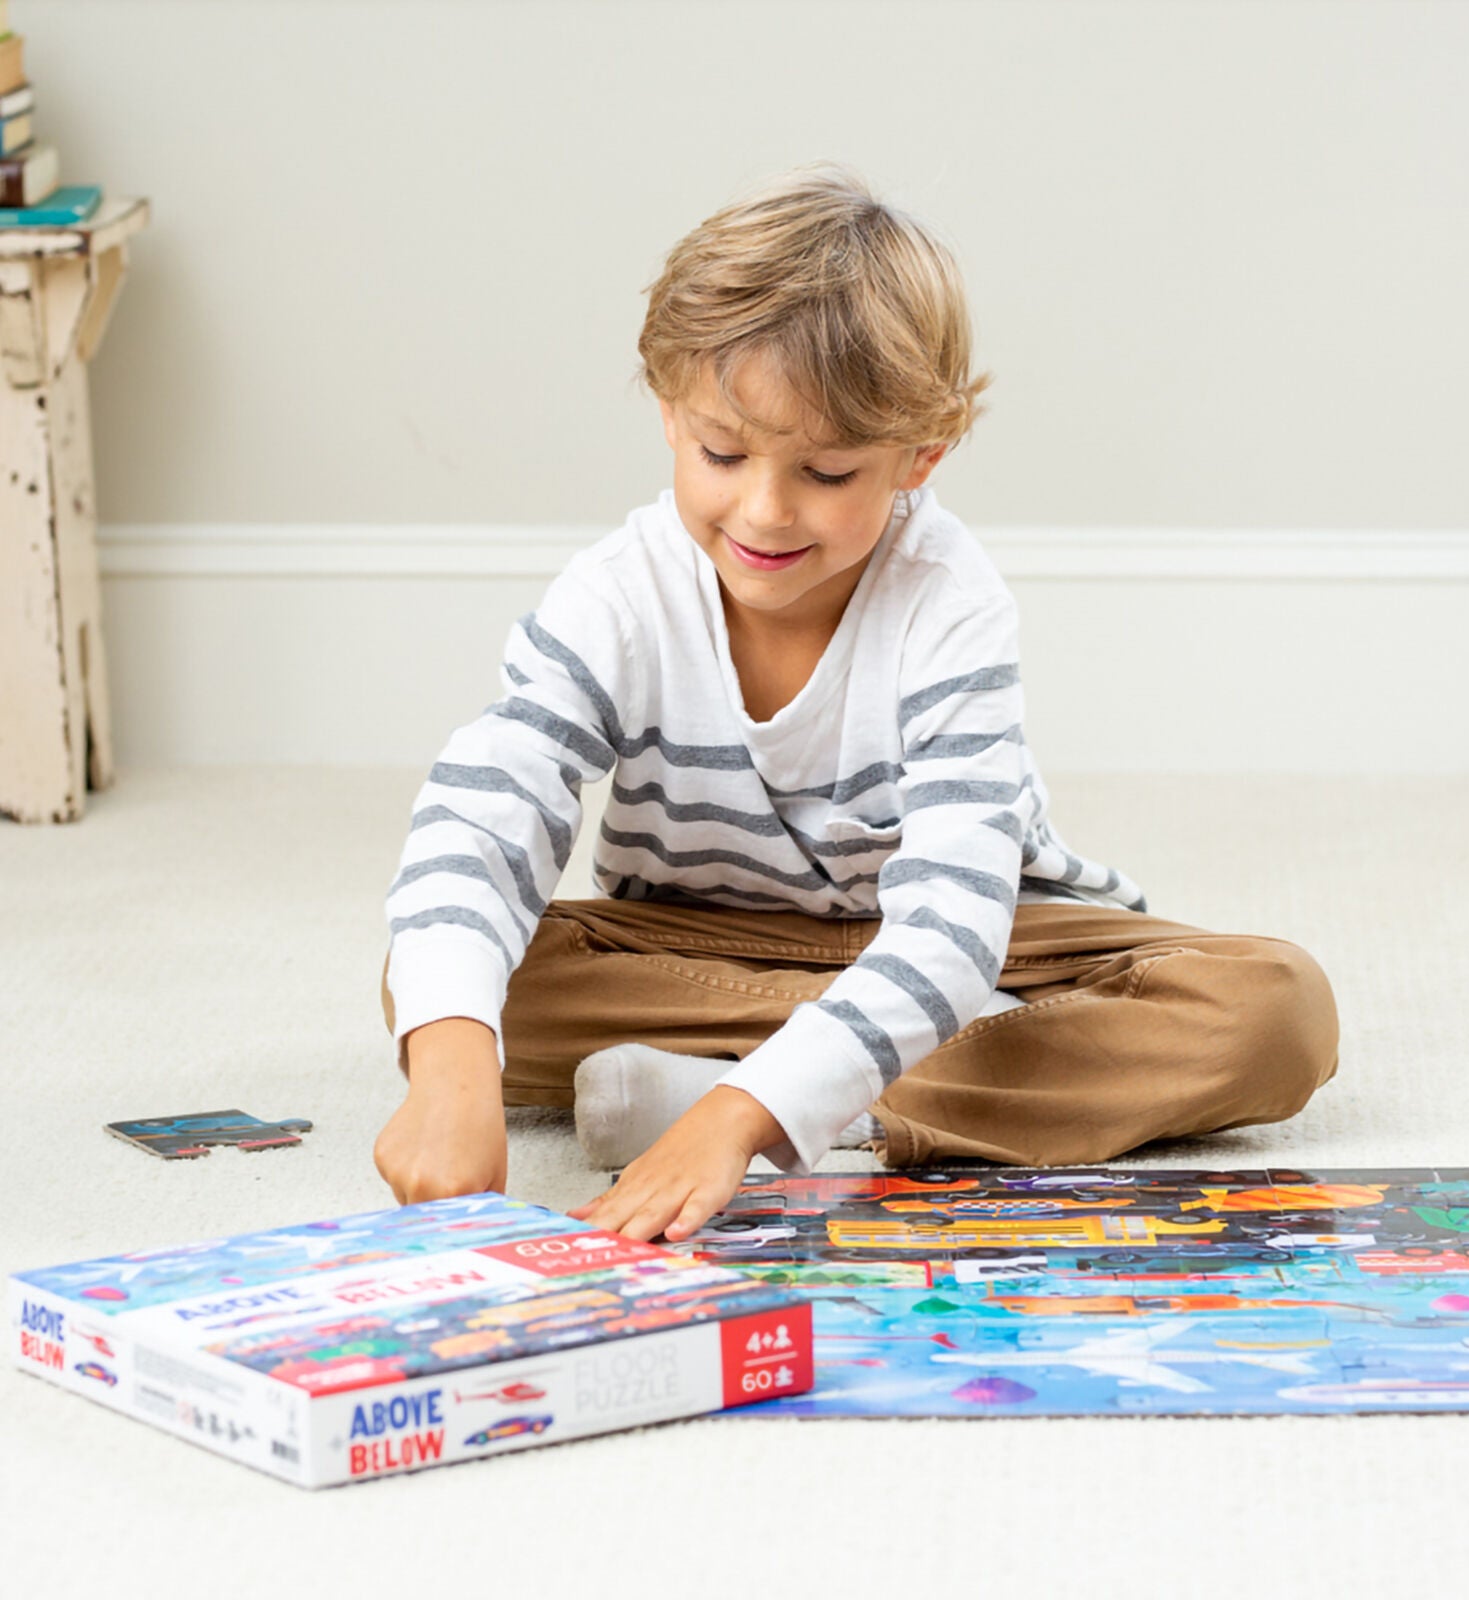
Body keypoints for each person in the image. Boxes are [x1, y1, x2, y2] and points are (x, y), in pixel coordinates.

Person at [374, 162, 1339, 1242]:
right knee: (442, 985)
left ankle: (739, 1096)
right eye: (722, 452)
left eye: (827, 473)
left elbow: (953, 927)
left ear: (919, 457)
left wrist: (737, 1118)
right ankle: (850, 1076)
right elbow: (490, 805)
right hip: (710, 949)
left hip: (992, 947)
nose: (764, 510)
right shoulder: (619, 596)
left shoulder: (948, 604)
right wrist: (451, 1068)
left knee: (1275, 1010)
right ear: (669, 414)